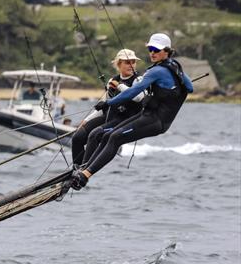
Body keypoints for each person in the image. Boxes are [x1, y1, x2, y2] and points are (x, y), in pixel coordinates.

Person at [72, 33, 193, 190]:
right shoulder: (175, 67)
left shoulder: (156, 72)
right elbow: (189, 87)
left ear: (167, 51)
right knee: (109, 135)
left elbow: (131, 93)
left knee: (115, 137)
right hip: (150, 116)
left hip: (156, 120)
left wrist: (109, 102)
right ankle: (85, 168)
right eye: (150, 49)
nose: (152, 53)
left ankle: (85, 175)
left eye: (156, 50)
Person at [70, 49, 144, 166]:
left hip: (125, 120)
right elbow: (104, 103)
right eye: (127, 62)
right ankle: (76, 166)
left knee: (95, 134)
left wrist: (119, 86)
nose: (131, 65)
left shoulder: (138, 80)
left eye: (133, 62)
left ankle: (84, 168)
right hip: (109, 117)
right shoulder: (112, 80)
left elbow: (139, 97)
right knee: (77, 137)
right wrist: (87, 120)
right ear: (119, 64)